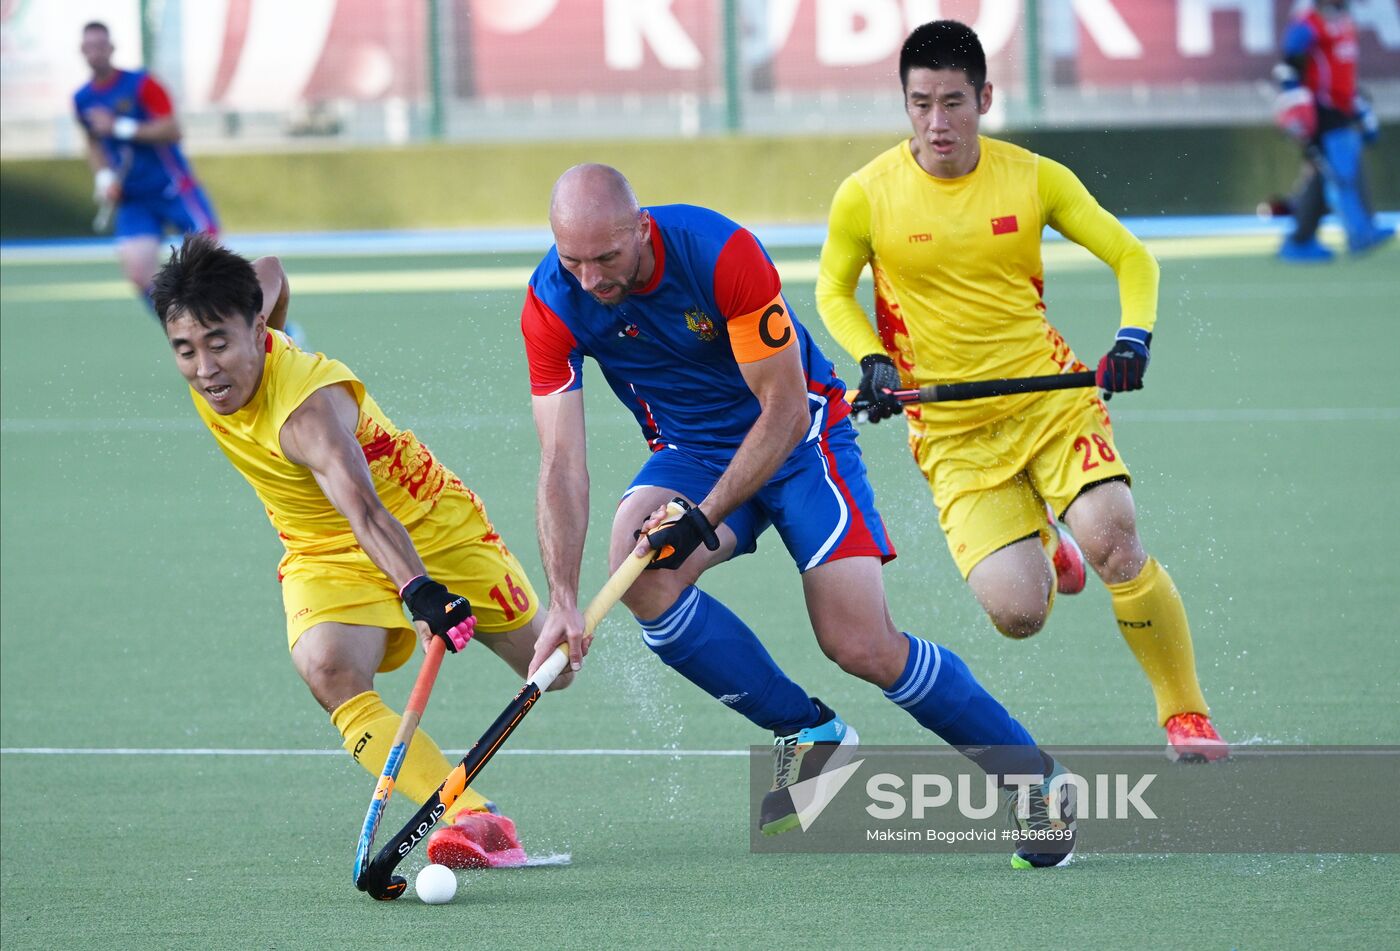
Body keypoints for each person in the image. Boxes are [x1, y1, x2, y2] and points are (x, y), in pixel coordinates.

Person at [522, 163, 1076, 869]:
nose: (593, 280)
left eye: (607, 259)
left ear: (642, 227)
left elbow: (781, 410)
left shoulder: (720, 255)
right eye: (575, 262)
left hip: (800, 438)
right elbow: (561, 462)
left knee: (860, 644)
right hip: (691, 450)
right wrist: (563, 601)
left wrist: (704, 516)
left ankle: (1035, 778)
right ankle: (809, 732)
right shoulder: (552, 300)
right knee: (638, 572)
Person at [815, 20, 1228, 763]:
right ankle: (1047, 539)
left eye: (953, 103)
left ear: (986, 98)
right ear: (903, 102)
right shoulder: (866, 195)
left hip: (1050, 400)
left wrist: (1134, 336)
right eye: (920, 104)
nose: (937, 123)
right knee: (1019, 611)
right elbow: (832, 291)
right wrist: (871, 356)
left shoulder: (1034, 177)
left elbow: (1131, 257)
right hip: (952, 430)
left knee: (1114, 533)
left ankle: (1185, 714)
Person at [151, 234, 553, 869]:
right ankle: (473, 815)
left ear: (254, 329)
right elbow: (271, 270)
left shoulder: (305, 414)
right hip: (322, 548)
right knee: (329, 670)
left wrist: (419, 590)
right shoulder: (233, 333)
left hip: (430, 525)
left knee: (549, 668)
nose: (204, 369)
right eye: (185, 350)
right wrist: (263, 336)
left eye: (219, 344)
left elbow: (366, 510)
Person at [74, 21, 220, 310]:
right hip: (134, 198)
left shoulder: (142, 84)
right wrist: (104, 177)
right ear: (82, 51)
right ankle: (185, 333)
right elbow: (93, 141)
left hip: (172, 188)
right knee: (140, 275)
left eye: (101, 46)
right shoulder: (82, 98)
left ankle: (272, 332)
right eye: (89, 47)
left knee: (214, 267)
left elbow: (172, 129)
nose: (95, 53)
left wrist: (120, 126)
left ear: (112, 48)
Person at [1272, 0, 1393, 261]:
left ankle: (1302, 240)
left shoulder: (1344, 22)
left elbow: (1344, 75)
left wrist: (1360, 110)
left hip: (1342, 109)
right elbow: (1288, 68)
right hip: (1322, 112)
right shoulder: (1308, 23)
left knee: (1325, 175)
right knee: (1342, 174)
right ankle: (1359, 233)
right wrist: (1295, 105)